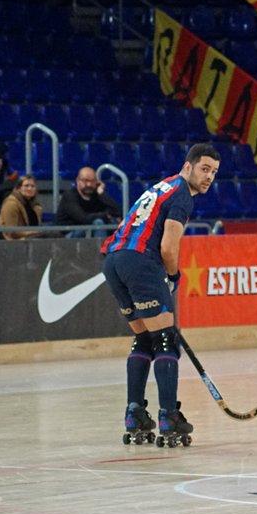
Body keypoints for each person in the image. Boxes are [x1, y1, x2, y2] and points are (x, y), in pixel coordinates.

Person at [101, 143, 220, 445]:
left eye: (214, 172)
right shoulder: (181, 195)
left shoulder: (163, 186)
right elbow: (168, 247)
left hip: (114, 261)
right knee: (165, 339)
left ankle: (135, 413)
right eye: (204, 169)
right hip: (141, 261)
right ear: (188, 166)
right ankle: (168, 415)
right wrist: (173, 275)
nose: (209, 177)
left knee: (145, 337)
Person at [56, 166, 122, 236]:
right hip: (69, 233)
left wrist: (102, 194)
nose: (89, 184)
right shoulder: (69, 196)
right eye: (85, 181)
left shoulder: (97, 195)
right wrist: (105, 215)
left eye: (92, 181)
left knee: (113, 224)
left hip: (91, 229)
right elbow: (83, 218)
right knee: (98, 223)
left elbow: (118, 212)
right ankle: (100, 246)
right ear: (78, 181)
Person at [0, 175, 44, 240]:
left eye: (32, 186)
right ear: (18, 188)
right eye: (26, 186)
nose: (30, 188)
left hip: (32, 239)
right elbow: (11, 232)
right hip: (14, 242)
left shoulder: (36, 207)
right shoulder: (11, 204)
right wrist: (34, 233)